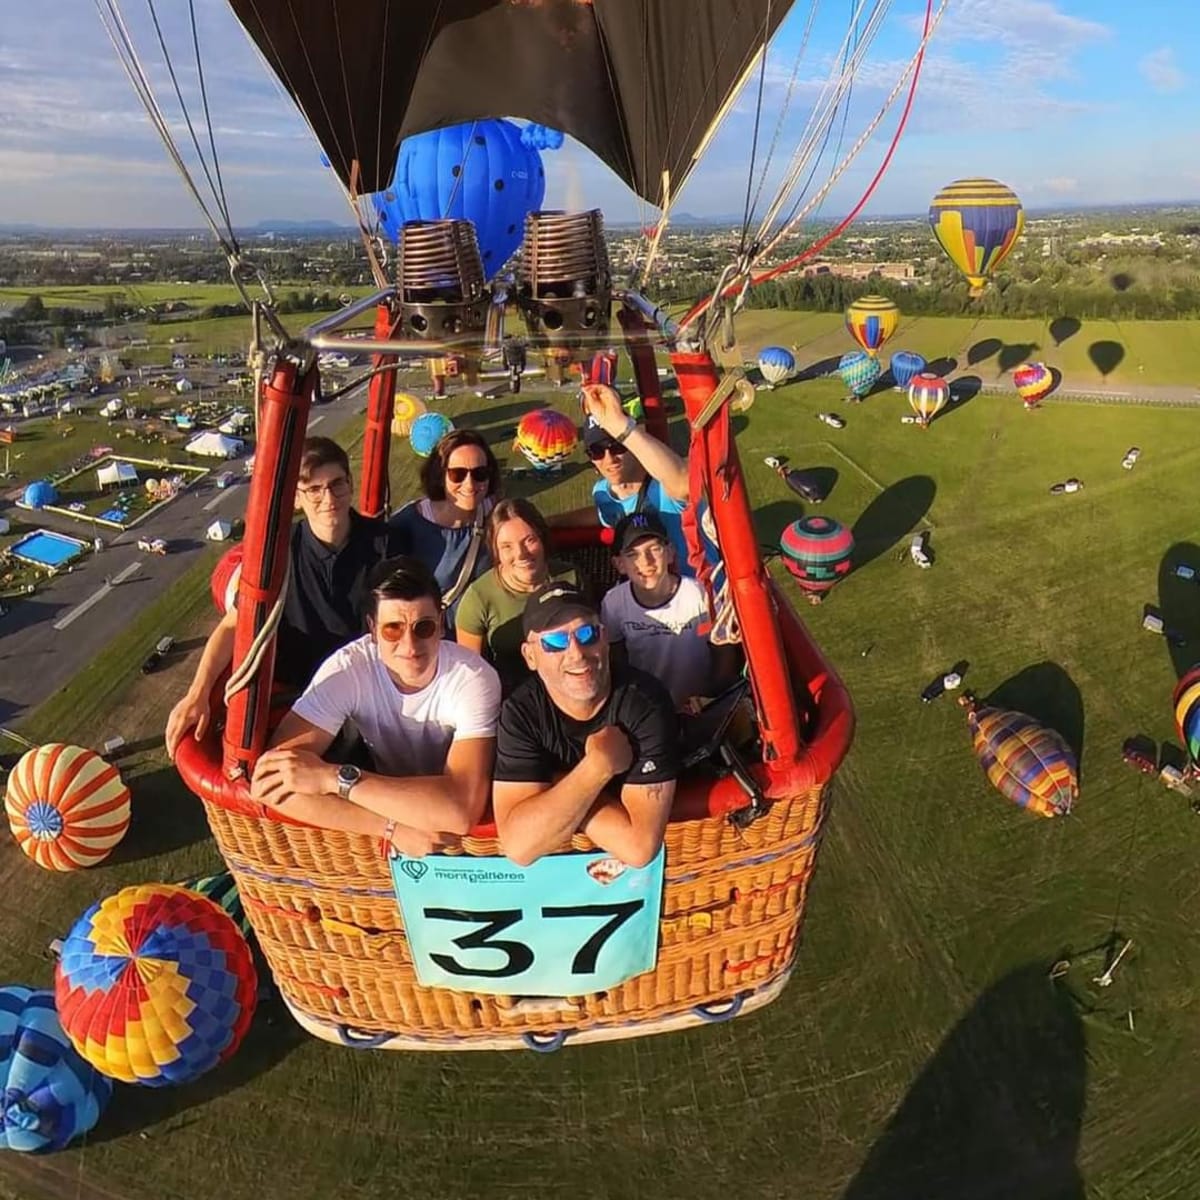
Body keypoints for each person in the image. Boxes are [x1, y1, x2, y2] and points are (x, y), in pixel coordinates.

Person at [250, 557, 501, 857]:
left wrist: (332, 778)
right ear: (372, 628)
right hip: (390, 801)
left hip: (464, 828)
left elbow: (461, 810)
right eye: (393, 630)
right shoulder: (348, 670)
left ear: (442, 624)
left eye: (423, 628)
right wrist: (390, 828)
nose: (409, 646)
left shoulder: (472, 677)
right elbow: (269, 782)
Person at [165, 436, 397, 760]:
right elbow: (234, 626)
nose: (328, 498)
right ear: (297, 498)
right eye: (314, 490)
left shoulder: (386, 545)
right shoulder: (277, 556)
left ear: (350, 484)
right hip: (301, 699)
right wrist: (198, 693)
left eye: (336, 484)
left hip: (366, 691)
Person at [492, 581, 680, 868]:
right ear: (530, 656)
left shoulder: (644, 703)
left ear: (604, 639)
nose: (577, 653)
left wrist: (558, 784)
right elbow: (519, 846)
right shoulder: (521, 713)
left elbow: (639, 848)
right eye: (554, 642)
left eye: (586, 633)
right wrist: (597, 768)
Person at [549, 382, 696, 574]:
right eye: (597, 451)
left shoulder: (663, 482)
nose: (609, 459)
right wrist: (551, 522)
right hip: (650, 595)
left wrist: (622, 427)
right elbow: (603, 513)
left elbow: (683, 481)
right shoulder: (602, 493)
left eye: (617, 446)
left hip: (698, 592)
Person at [602, 511, 741, 709]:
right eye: (633, 555)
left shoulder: (699, 593)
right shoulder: (613, 603)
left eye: (654, 549)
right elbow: (615, 657)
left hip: (700, 704)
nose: (646, 562)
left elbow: (723, 649)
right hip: (647, 708)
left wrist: (713, 697)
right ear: (619, 564)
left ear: (670, 552)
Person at [456, 498, 580, 695]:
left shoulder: (571, 578)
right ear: (495, 551)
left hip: (573, 684)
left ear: (542, 538)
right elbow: (471, 675)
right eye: (507, 547)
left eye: (529, 540)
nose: (521, 554)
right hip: (512, 697)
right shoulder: (478, 598)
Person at [389, 429, 500, 633]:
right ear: (440, 476)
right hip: (435, 640)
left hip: (485, 636)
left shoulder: (496, 513)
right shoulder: (407, 525)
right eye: (457, 474)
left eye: (479, 473)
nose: (469, 484)